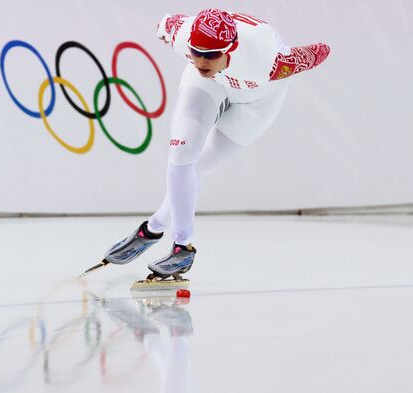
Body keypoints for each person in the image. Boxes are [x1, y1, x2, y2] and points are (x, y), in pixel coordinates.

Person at [103, 8, 330, 280]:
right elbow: (166, 24)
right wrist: (167, 32)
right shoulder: (182, 35)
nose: (201, 60)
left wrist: (327, 47)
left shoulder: (267, 62)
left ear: (230, 49)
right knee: (181, 152)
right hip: (211, 85)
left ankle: (151, 228)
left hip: (259, 101)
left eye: (211, 55)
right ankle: (181, 247)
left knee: (200, 169)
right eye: (195, 52)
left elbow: (316, 52)